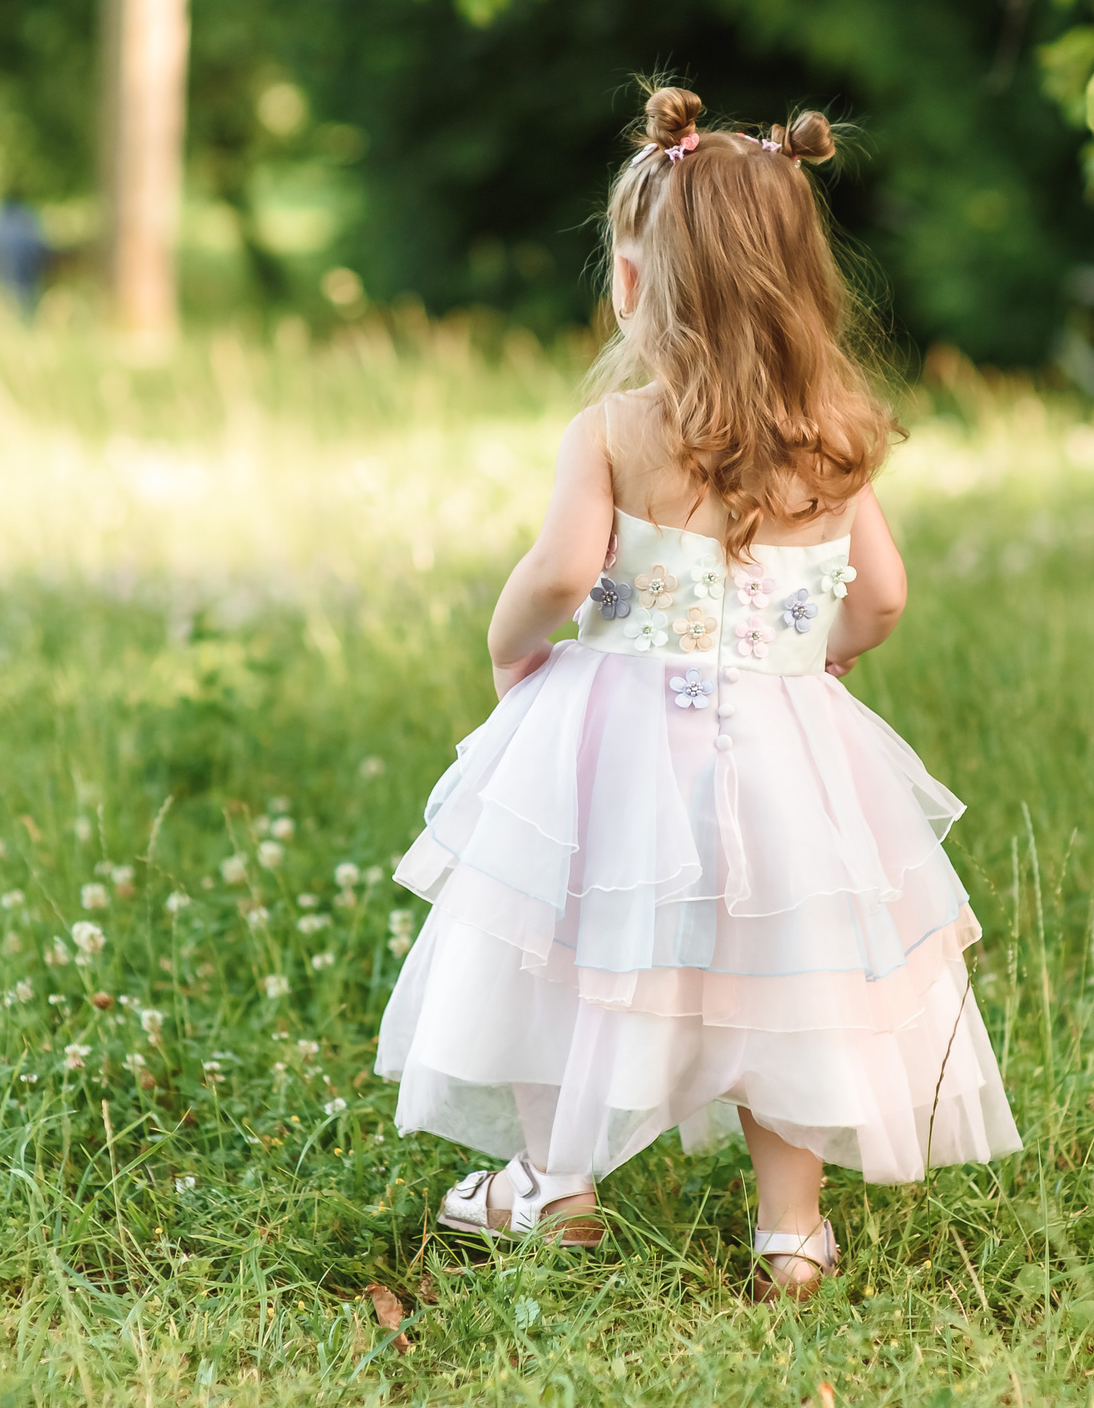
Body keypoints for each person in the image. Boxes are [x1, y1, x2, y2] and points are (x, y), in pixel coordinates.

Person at [375, 85, 1019, 1301]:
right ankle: (791, 1231)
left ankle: (555, 1177)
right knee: (788, 971)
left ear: (633, 280)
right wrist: (811, 653)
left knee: (556, 939)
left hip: (608, 736)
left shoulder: (615, 428)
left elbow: (562, 571)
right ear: (800, 279)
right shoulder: (836, 436)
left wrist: (510, 649)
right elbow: (880, 595)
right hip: (785, 742)